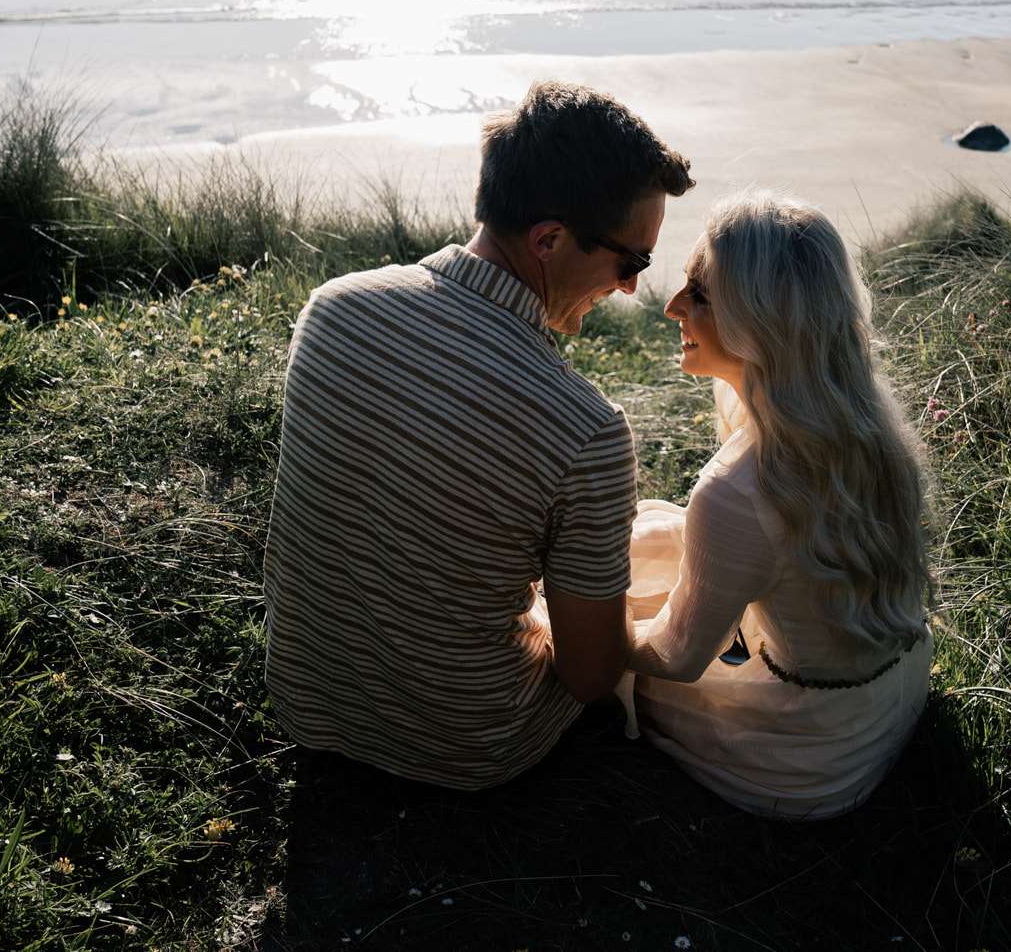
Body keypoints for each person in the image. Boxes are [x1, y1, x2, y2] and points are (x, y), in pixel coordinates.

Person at [262, 81, 693, 790]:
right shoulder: (586, 429)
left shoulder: (330, 309)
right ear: (549, 239)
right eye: (632, 262)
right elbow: (589, 679)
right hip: (469, 742)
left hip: (307, 702)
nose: (627, 289)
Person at [620, 191, 934, 820]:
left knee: (609, 653)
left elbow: (673, 659)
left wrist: (575, 621)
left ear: (759, 322)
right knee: (659, 528)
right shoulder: (867, 415)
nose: (672, 306)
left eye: (700, 295)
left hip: (805, 753)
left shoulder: (736, 491)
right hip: (895, 691)